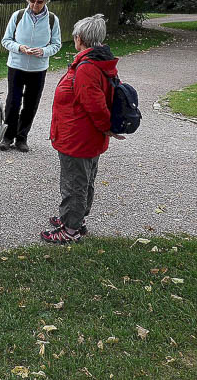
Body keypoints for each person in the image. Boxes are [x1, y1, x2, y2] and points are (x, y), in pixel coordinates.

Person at [43, 14, 125, 244]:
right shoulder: (99, 61)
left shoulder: (87, 67)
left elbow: (94, 104)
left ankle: (71, 229)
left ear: (79, 38)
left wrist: (106, 127)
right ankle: (75, 219)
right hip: (86, 136)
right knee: (83, 181)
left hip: (78, 137)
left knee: (74, 184)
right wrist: (106, 128)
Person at [0, 0, 62, 152]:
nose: (35, 5)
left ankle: (22, 137)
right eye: (32, 1)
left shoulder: (52, 20)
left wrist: (43, 51)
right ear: (28, 0)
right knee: (13, 102)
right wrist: (19, 48)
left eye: (39, 2)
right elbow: (6, 40)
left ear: (46, 2)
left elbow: (56, 44)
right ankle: (7, 136)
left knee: (31, 104)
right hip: (16, 65)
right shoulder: (18, 16)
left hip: (38, 68)